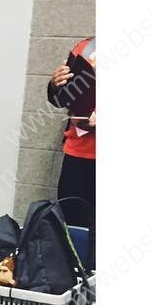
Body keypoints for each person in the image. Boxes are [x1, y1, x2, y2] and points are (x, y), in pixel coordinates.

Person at [47, 36, 96, 228]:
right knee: (72, 227)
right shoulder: (87, 47)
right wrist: (55, 84)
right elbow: (59, 100)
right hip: (77, 154)